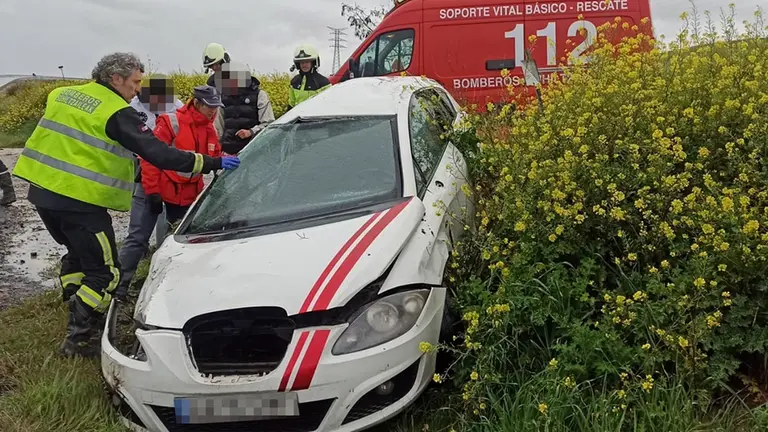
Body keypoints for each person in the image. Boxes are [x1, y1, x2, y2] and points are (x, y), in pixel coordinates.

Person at [11, 52, 241, 358]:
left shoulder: (62, 94)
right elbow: (158, 153)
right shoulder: (118, 112)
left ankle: (75, 304)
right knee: (106, 274)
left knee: (79, 258)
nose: (138, 90)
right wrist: (212, 162)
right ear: (115, 78)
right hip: (81, 201)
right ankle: (79, 340)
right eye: (134, 82)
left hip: (42, 194)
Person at [115, 74, 184, 297]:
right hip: (145, 174)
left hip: (172, 176)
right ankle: (118, 287)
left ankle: (165, 286)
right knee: (137, 236)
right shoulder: (133, 108)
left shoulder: (176, 107)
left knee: (169, 236)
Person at [141, 85, 223, 232]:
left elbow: (215, 156)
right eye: (209, 106)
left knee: (184, 232)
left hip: (192, 193)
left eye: (216, 106)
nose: (213, 111)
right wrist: (152, 191)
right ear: (197, 103)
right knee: (150, 233)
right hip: (166, 192)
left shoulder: (210, 129)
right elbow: (150, 157)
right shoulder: (172, 122)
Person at [213, 61, 275, 155]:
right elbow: (218, 128)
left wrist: (251, 132)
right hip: (228, 152)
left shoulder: (260, 95)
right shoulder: (223, 97)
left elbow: (268, 124)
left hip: (253, 151)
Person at [288, 44, 331, 110]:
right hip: (298, 118)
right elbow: (291, 105)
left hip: (317, 119)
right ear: (297, 64)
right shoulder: (294, 82)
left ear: (313, 62)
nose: (304, 65)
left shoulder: (323, 83)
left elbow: (329, 106)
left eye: (307, 62)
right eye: (302, 62)